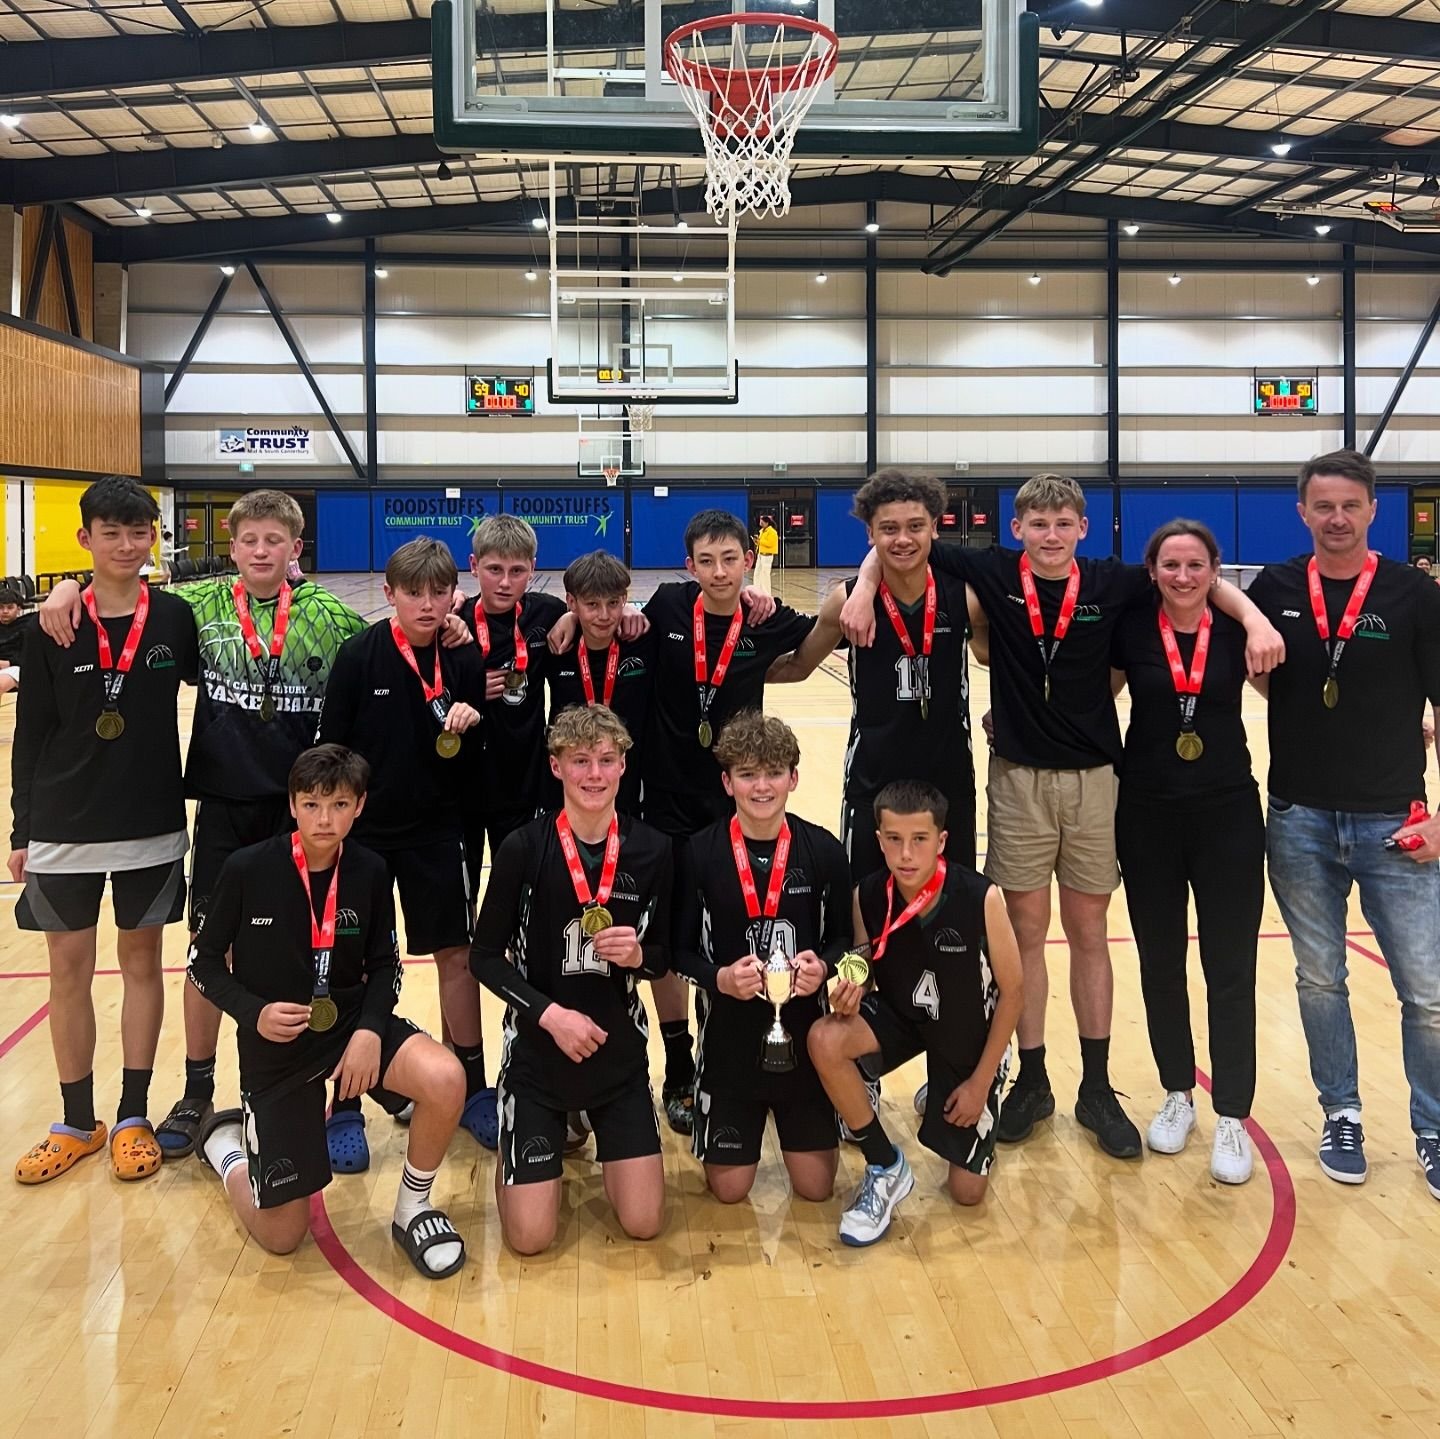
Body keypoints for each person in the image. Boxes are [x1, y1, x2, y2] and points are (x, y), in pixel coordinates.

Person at [841, 472, 1283, 1159]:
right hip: (1017, 780)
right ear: (1015, 529)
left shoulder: (1112, 581)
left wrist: (1253, 615)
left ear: (1085, 528)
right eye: (1037, 524)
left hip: (1097, 781)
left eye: (1064, 523)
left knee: (1087, 932)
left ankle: (1098, 1086)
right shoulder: (990, 570)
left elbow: (1194, 577)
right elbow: (896, 545)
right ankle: (1035, 1077)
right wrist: (866, 587)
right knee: (1023, 935)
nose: (1050, 535)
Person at [37, 490, 392, 1161]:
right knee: (210, 951)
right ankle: (197, 1088)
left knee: (329, 951)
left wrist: (456, 625)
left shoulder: (332, 616)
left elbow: (395, 643)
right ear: (232, 547)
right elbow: (121, 603)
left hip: (306, 815)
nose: (261, 551)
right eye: (249, 539)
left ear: (295, 548)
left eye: (274, 540)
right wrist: (69, 591)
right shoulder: (194, 608)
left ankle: (341, 1093)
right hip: (226, 808)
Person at [188, 745, 468, 1276]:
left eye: (339, 805)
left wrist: (367, 1031)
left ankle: (413, 1208)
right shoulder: (246, 869)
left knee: (446, 1078)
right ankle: (228, 1152)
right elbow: (200, 963)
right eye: (312, 804)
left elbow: (386, 964)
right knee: (282, 1235)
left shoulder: (369, 869)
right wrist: (253, 1013)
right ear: (292, 805)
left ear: (359, 807)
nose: (324, 819)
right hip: (276, 1050)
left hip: (349, 1030)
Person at [1246, 449, 1440, 1198]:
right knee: (1321, 978)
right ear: (1303, 511)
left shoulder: (1412, 594)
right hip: (1298, 818)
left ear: (1371, 511)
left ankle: (1432, 1126)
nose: (1335, 518)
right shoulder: (1277, 585)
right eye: (1322, 506)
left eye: (1349, 506)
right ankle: (1343, 1112)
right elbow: (1266, 674)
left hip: (1398, 823)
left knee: (1425, 989)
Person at [11, 476, 198, 1185]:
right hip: (63, 826)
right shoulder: (49, 625)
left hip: (151, 822)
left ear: (155, 537)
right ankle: (74, 1119)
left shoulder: (176, 617)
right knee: (67, 971)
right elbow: (31, 733)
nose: (126, 544)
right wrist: (22, 826)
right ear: (85, 538)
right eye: (111, 532)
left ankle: (130, 1115)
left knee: (143, 964)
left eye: (139, 531)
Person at [634, 510, 814, 1135]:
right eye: (706, 561)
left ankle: (721, 1058)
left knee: (727, 933)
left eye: (730, 560)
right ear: (689, 566)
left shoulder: (765, 618)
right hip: (663, 800)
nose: (718, 572)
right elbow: (614, 625)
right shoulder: (667, 603)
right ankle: (678, 1065)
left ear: (747, 561)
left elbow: (820, 640)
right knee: (667, 942)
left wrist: (795, 659)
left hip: (732, 804)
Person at [470, 704, 672, 1254]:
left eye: (607, 760)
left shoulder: (652, 850)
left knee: (644, 1222)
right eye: (580, 760)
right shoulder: (522, 848)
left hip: (616, 1057)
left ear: (624, 765)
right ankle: (531, 1140)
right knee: (530, 1238)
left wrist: (638, 957)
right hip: (538, 1056)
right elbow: (485, 957)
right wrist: (549, 1015)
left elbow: (665, 956)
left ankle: (585, 1120)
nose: (594, 774)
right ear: (556, 766)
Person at [317, 537, 487, 1162]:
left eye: (437, 592)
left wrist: (471, 725)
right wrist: (333, 829)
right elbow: (329, 751)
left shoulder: (462, 657)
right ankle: (345, 1102)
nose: (425, 603)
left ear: (452, 596)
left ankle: (470, 1089)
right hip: (362, 840)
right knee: (346, 966)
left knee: (456, 957)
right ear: (389, 595)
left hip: (437, 832)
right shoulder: (359, 656)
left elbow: (475, 759)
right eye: (412, 593)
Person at [1110, 520, 1263, 1184]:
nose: (1181, 575)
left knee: (1230, 967)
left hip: (1227, 810)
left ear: (1215, 569)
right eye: (1169, 563)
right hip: (1146, 812)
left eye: (1194, 564)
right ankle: (1178, 1090)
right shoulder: (1133, 625)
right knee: (1161, 961)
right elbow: (1097, 690)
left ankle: (1233, 1112)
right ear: (1152, 570)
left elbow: (1285, 695)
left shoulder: (1238, 629)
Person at [807, 781, 1023, 1246]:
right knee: (825, 1037)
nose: (906, 853)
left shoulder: (981, 898)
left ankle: (978, 1086)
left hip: (965, 1031)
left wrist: (979, 1082)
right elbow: (864, 963)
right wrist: (851, 987)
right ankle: (885, 1164)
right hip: (905, 1016)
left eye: (919, 840)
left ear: (941, 841)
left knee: (967, 1193)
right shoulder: (867, 895)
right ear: (879, 838)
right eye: (893, 839)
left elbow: (1015, 993)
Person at [768, 470, 983, 882]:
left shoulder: (965, 599)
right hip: (872, 776)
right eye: (889, 529)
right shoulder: (845, 602)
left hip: (949, 773)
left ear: (935, 528)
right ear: (870, 533)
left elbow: (1002, 659)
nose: (902, 539)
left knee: (954, 901)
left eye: (915, 526)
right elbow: (797, 666)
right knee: (862, 903)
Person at [671, 711, 851, 1203]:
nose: (762, 786)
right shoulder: (699, 853)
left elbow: (846, 943)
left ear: (794, 777)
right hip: (728, 1048)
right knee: (729, 1191)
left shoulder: (824, 850)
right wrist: (719, 978)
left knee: (816, 1191)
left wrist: (825, 968)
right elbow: (678, 953)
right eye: (748, 774)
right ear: (727, 782)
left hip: (806, 1048)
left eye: (773, 772)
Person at [546, 550, 654, 817]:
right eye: (592, 604)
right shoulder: (556, 645)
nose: (604, 615)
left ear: (625, 600)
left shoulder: (645, 639)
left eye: (613, 603)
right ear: (571, 602)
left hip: (629, 788)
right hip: (570, 787)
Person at [0, 583, 35, 696]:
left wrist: (10, 662)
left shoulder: (28, 626)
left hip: (16, 667)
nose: (5, 611)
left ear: (18, 609)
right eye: (1, 607)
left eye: (10, 607)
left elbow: (30, 654)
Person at [753, 515, 779, 596]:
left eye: (762, 522)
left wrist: (760, 541)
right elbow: (761, 543)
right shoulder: (762, 531)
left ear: (767, 522)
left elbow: (770, 543)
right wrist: (756, 541)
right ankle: (757, 590)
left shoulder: (772, 532)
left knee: (765, 574)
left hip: (767, 556)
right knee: (757, 573)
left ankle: (766, 593)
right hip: (761, 554)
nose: (760, 523)